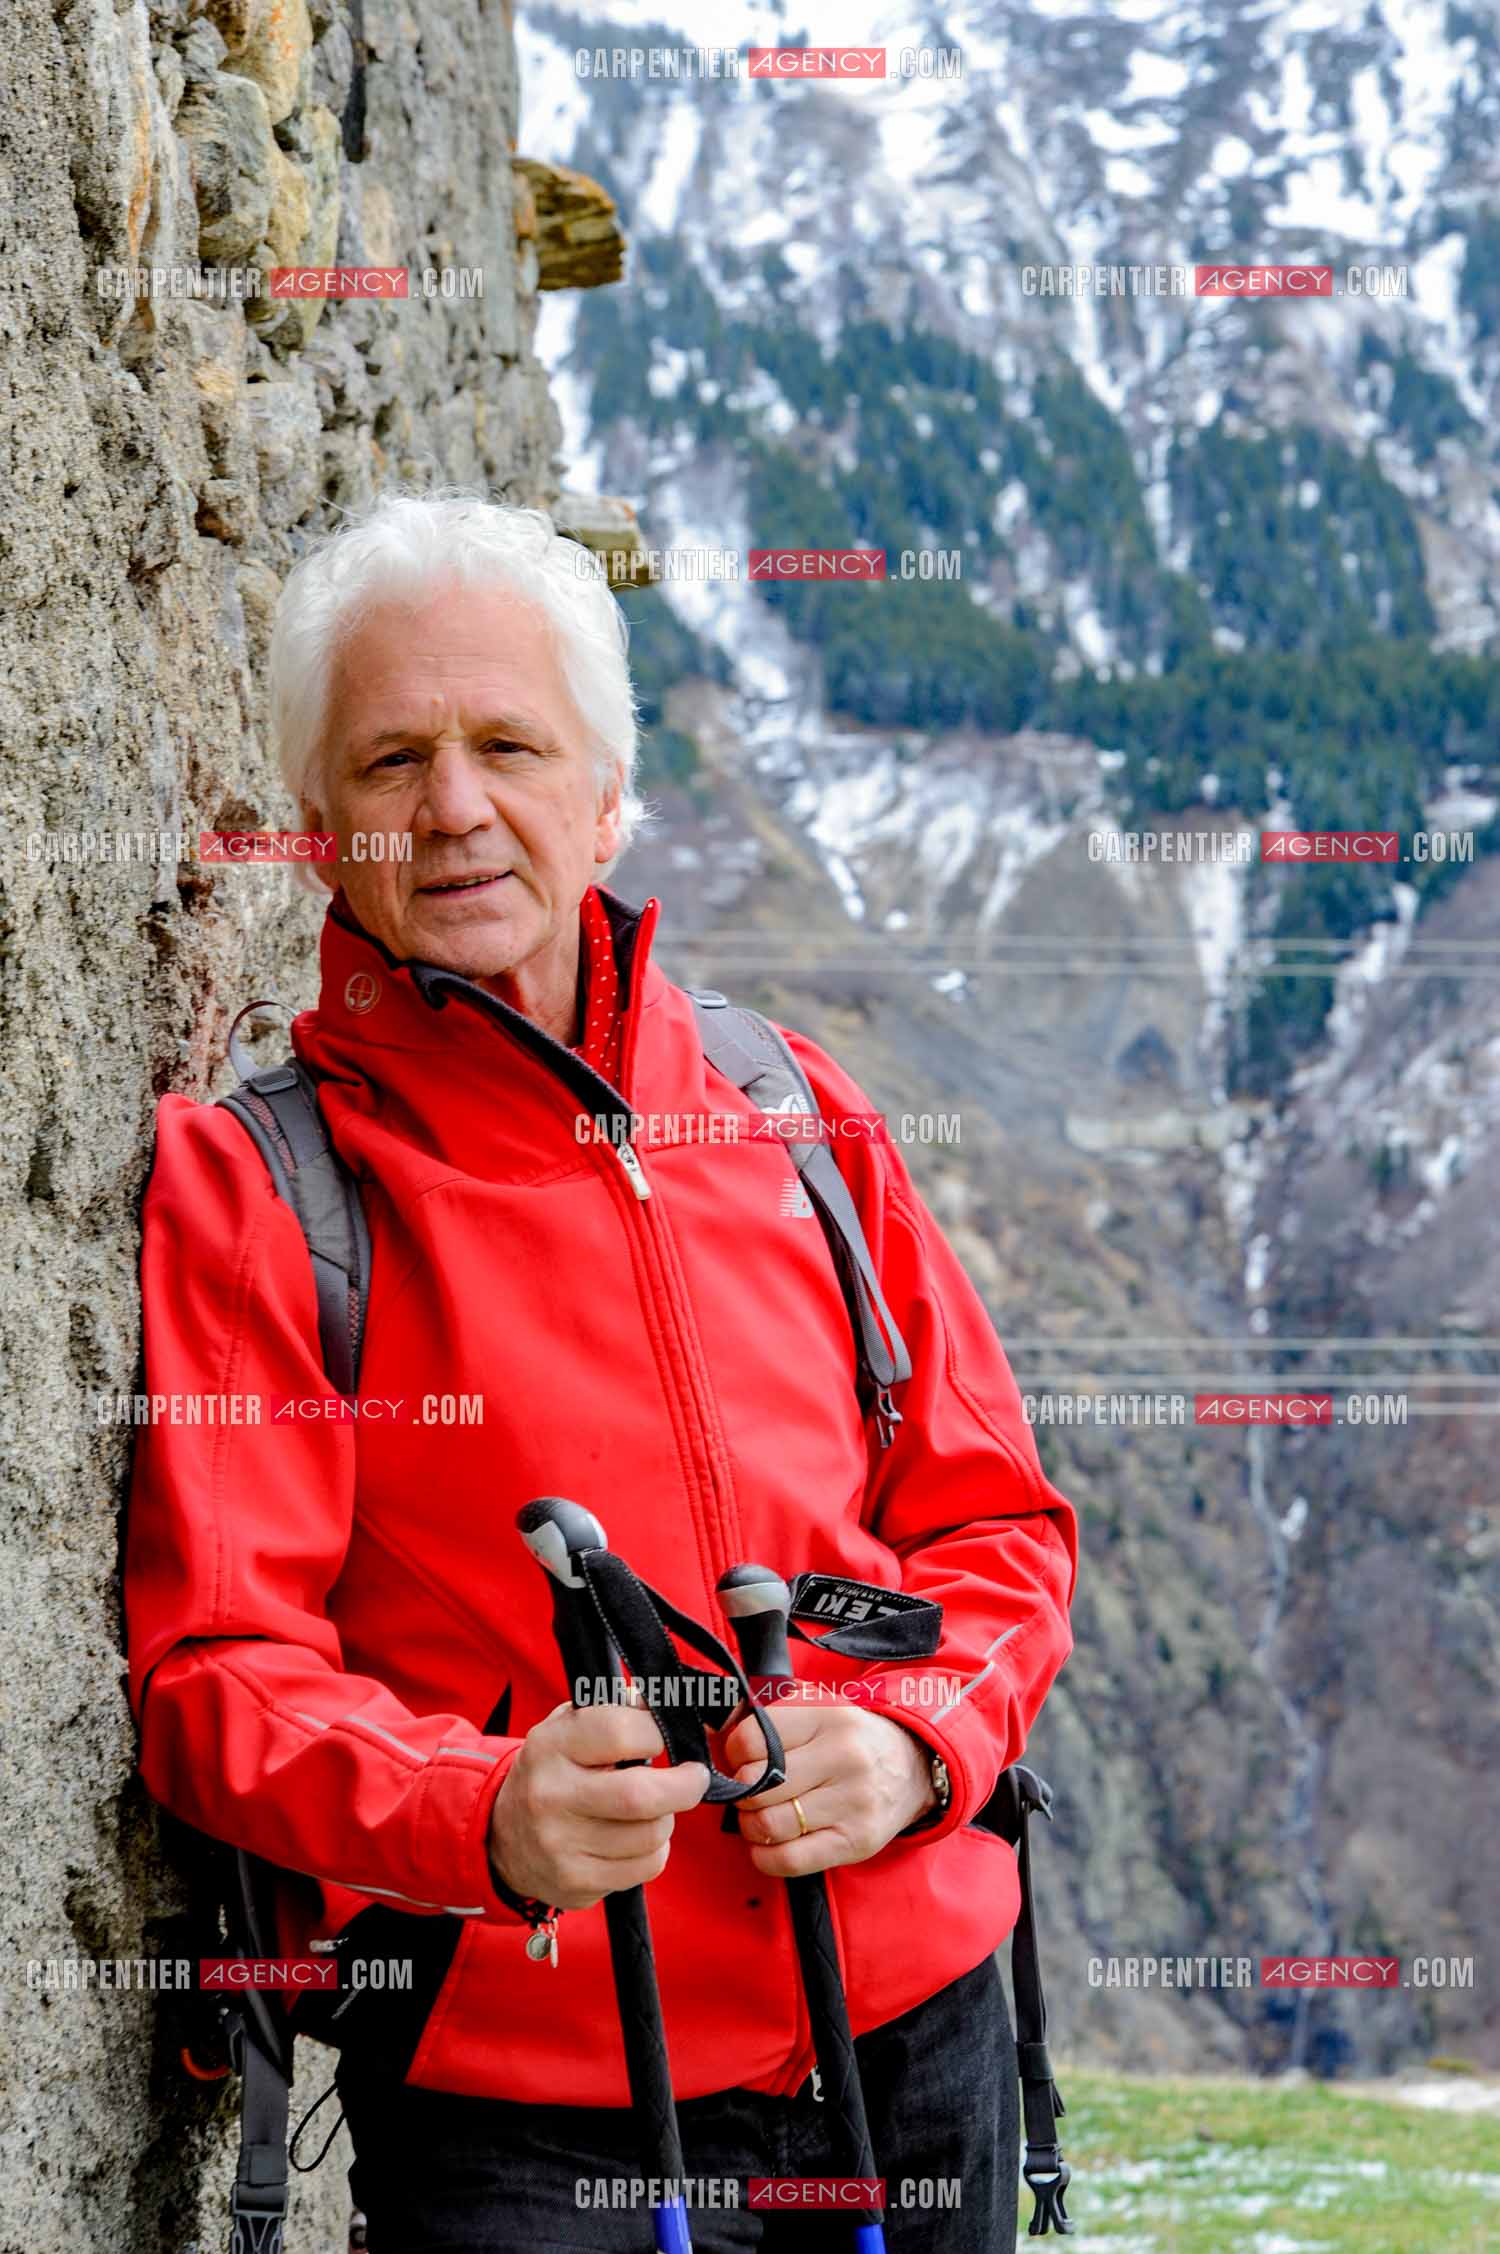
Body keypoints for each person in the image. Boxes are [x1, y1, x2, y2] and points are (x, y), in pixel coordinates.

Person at [123, 492, 1078, 2252]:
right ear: (319, 825)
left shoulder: (792, 1104)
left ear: (606, 794)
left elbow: (998, 1523)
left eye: (508, 744)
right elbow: (216, 1675)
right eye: (392, 758)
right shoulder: (267, 1186)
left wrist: (919, 1744)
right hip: (537, 2119)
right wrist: (478, 1811)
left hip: (925, 2039)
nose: (456, 806)